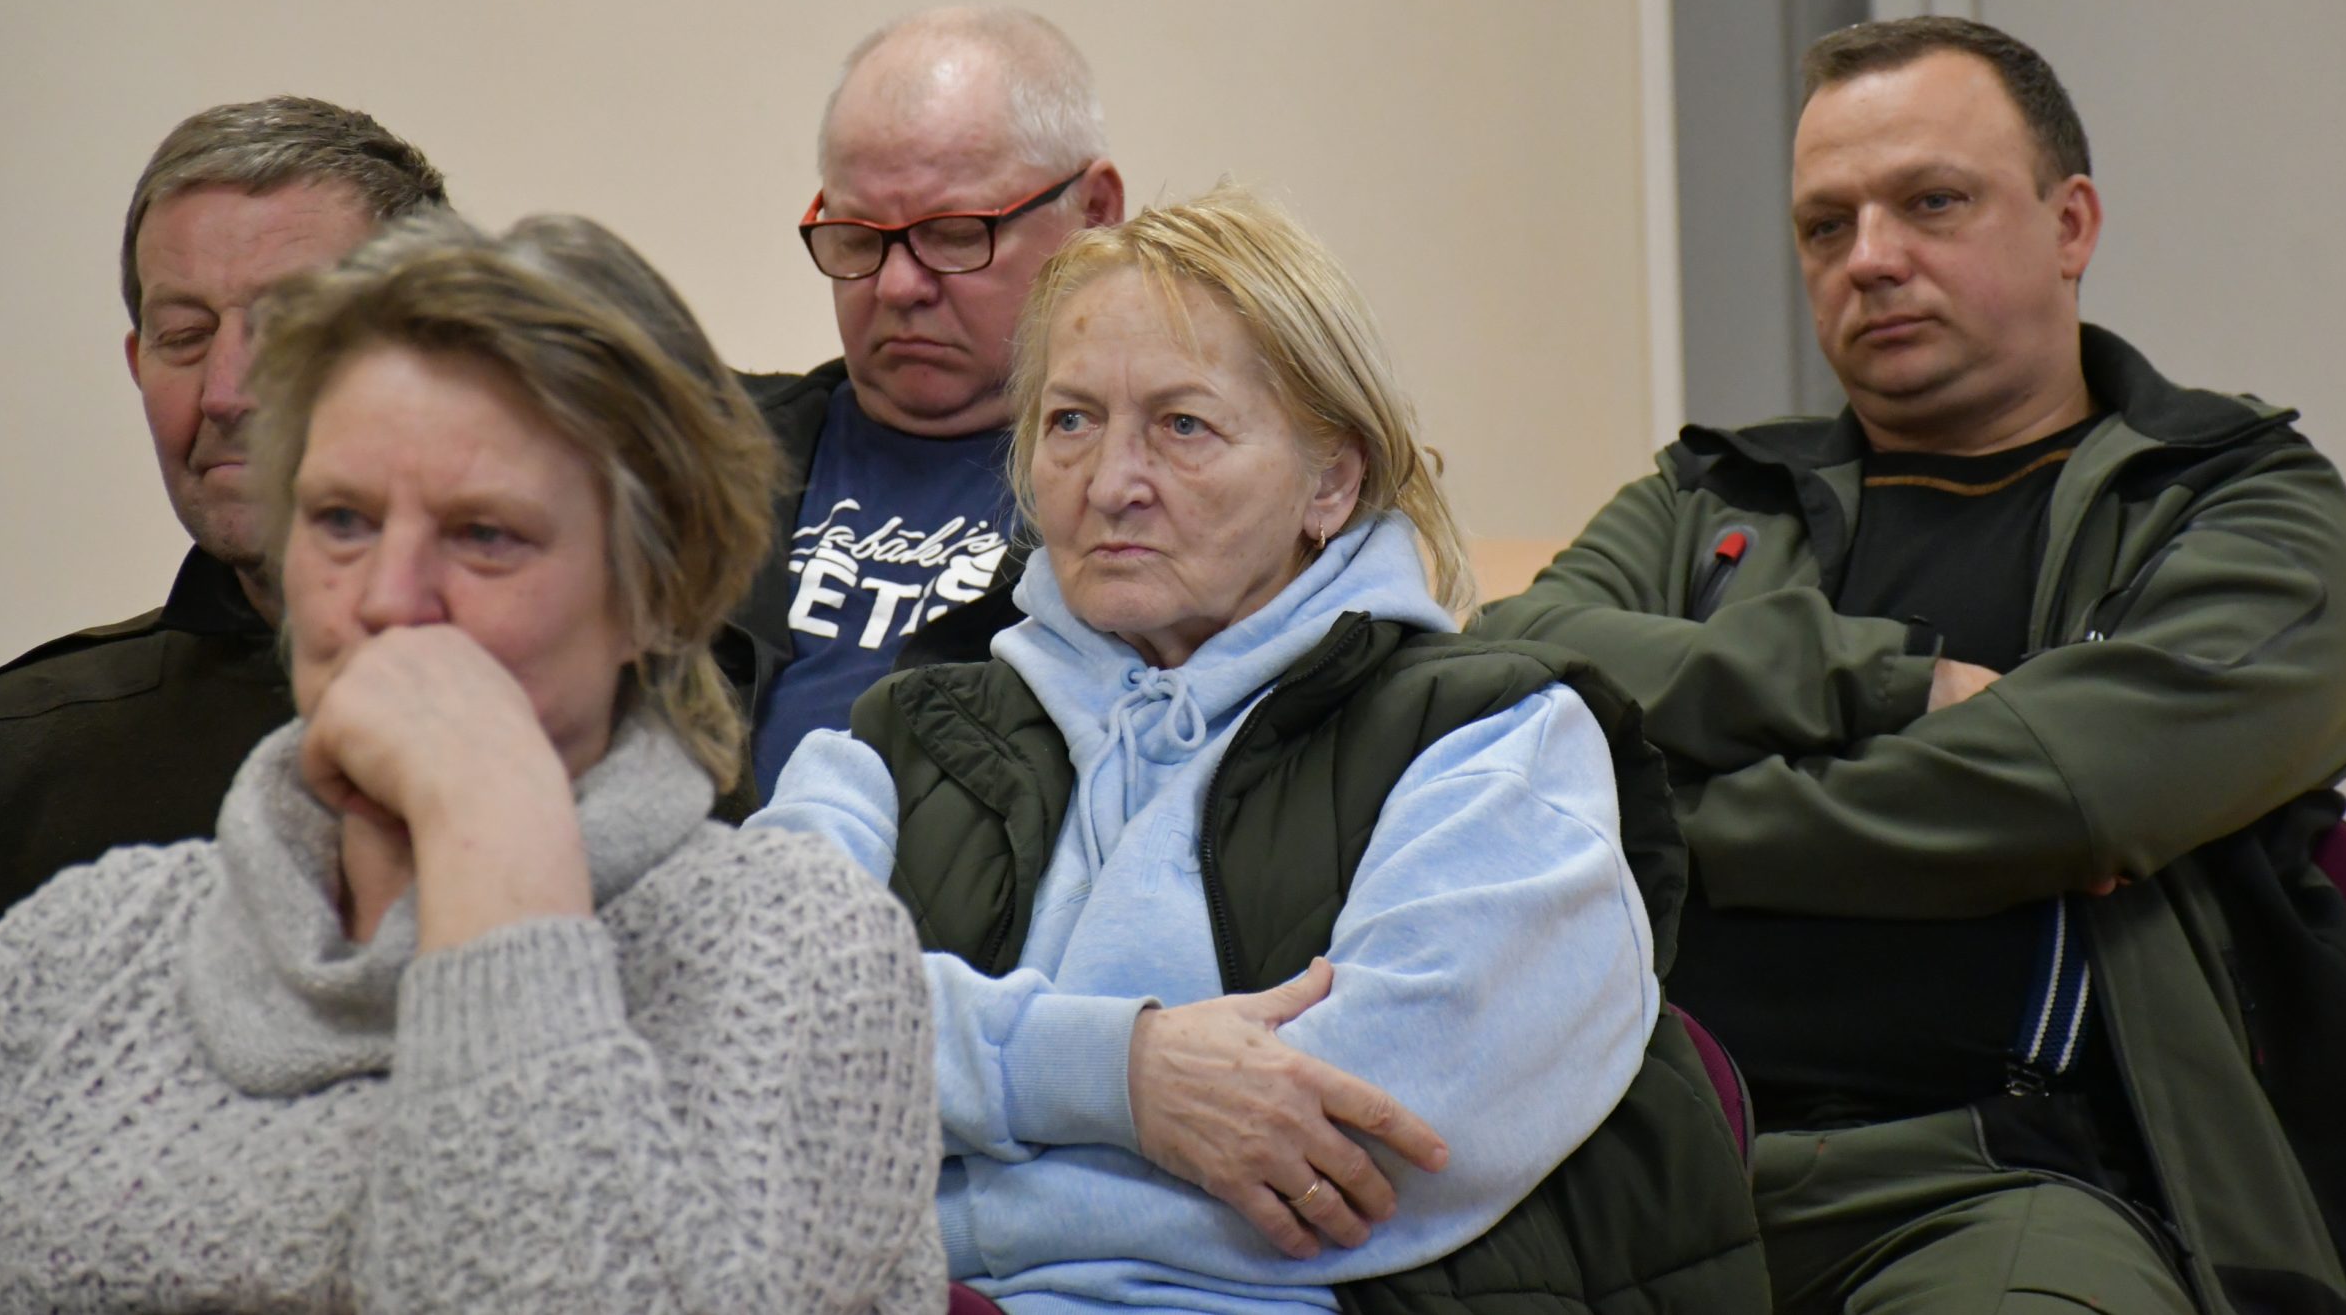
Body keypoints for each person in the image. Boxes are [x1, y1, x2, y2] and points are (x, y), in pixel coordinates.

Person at [1479, 16, 2346, 1313]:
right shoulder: (1710, 496)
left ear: (2070, 224)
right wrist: (1889, 685)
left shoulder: (2238, 502)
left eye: (1932, 201)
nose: (1870, 257)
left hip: (2019, 1176)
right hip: (1643, 1165)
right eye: (1826, 224)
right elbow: (1512, 663)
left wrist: (1654, 819)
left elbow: (2062, 792)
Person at [0, 211, 944, 1314]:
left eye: (485, 535)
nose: (388, 600)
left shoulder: (791, 948)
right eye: (341, 520)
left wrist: (493, 845)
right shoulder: (77, 945)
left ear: (658, 594)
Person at [753, 187, 1765, 1313]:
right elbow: (742, 1025)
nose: (1111, 483)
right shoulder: (893, 738)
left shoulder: (1494, 741)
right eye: (1071, 421)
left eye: (1183, 425)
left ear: (1330, 480)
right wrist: (1124, 1077)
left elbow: (1349, 1157)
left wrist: (930, 1180)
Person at [0, 96, 449, 1036]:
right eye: (184, 337)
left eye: (291, 326)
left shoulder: (625, 713)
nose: (226, 391)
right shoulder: (25, 750)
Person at [726, 7, 1126, 804]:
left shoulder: (1149, 496)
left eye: (952, 233)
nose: (898, 285)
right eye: (857, 235)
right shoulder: (698, 451)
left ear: (1093, 213)